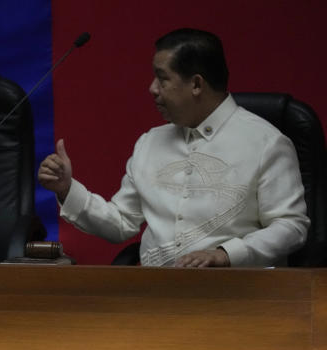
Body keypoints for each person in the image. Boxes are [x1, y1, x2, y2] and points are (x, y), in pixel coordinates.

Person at [38, 28, 309, 267]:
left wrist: (227, 254)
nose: (152, 89)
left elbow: (291, 226)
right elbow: (121, 223)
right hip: (155, 296)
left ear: (196, 84)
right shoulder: (150, 142)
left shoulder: (266, 143)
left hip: (238, 295)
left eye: (162, 78)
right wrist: (66, 189)